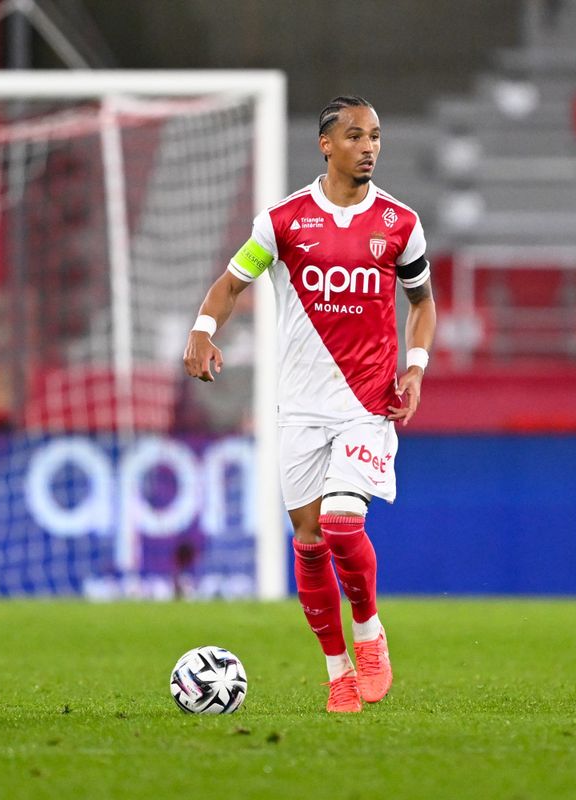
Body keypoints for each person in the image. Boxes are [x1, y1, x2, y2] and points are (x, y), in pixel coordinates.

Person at [183, 96, 437, 712]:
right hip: (298, 406)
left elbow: (422, 302)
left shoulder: (400, 223)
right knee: (308, 540)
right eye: (355, 136)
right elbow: (231, 284)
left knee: (343, 522)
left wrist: (416, 366)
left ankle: (369, 634)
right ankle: (337, 670)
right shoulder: (282, 222)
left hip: (367, 402)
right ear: (326, 144)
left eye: (375, 136)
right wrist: (202, 330)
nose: (369, 147)